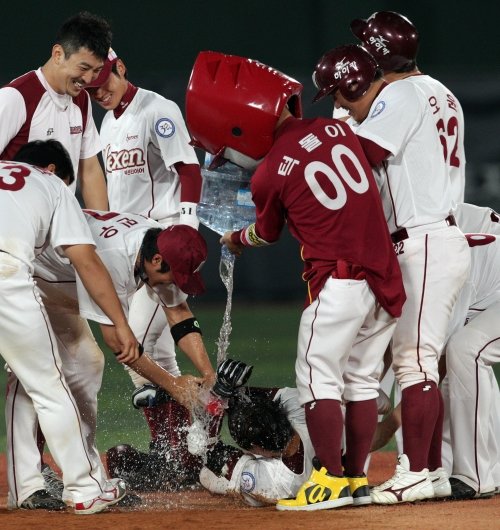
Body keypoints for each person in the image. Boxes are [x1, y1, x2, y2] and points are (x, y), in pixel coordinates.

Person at [185, 51, 406, 511]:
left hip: (340, 282)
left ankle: (327, 479)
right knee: (362, 383)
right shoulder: (337, 128)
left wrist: (236, 238)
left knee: (316, 380)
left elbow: (265, 232)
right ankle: (355, 478)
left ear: (241, 126)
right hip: (384, 274)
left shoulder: (269, 173)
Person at [312, 44, 471, 504]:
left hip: (423, 240)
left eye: (340, 96)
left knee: (414, 361)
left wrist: (323, 138)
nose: (339, 104)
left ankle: (417, 471)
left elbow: (362, 154)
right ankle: (433, 472)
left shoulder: (400, 95)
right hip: (432, 236)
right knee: (419, 361)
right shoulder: (438, 90)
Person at [6, 205, 215, 505]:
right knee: (34, 373)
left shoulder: (155, 247)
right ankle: (27, 483)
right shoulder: (116, 258)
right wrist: (174, 384)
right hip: (24, 278)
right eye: (174, 276)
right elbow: (120, 345)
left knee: (87, 367)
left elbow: (179, 313)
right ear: (156, 260)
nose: (174, 284)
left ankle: (86, 480)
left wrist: (208, 375)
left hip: (60, 283)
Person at [0, 139, 142, 514]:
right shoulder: (51, 185)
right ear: (51, 171)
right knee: (47, 385)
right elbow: (86, 261)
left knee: (33, 378)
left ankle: (28, 485)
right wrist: (119, 322)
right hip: (5, 273)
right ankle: (84, 488)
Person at [85, 48, 203, 458]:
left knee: (135, 346)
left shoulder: (158, 109)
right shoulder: (106, 120)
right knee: (158, 355)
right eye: (92, 90)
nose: (99, 95)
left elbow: (188, 169)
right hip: (128, 250)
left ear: (120, 68)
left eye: (104, 85)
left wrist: (185, 228)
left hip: (160, 246)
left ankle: (180, 447)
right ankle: (182, 445)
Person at [350, 11, 466, 206]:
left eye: (365, 46)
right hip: (449, 219)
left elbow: (362, 154)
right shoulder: (445, 93)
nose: (361, 50)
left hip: (421, 225)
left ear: (376, 57)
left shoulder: (401, 92)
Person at [0, 11, 109, 209]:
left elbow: (90, 170)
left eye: (97, 70)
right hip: (16, 225)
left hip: (59, 223)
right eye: (83, 67)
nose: (88, 79)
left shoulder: (82, 100)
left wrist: (103, 226)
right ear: (58, 54)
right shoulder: (16, 97)